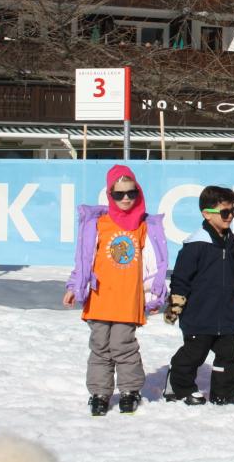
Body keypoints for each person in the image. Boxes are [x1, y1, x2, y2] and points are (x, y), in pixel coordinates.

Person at [63, 165, 169, 416]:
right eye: (119, 194)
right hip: (100, 297)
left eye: (131, 193)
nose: (126, 199)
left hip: (127, 299)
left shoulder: (144, 225)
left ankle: (130, 390)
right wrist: (74, 286)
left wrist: (154, 294)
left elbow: (154, 264)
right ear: (109, 195)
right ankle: (99, 393)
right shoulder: (98, 223)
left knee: (123, 344)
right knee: (100, 345)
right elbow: (84, 259)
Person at [163, 186, 234, 407]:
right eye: (225, 212)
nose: (230, 217)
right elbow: (181, 278)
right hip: (199, 314)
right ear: (206, 214)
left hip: (226, 315)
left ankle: (225, 390)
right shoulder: (196, 244)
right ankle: (179, 385)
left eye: (233, 211)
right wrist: (176, 304)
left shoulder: (232, 243)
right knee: (194, 354)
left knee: (229, 354)